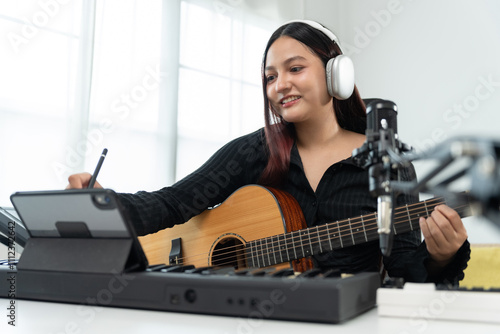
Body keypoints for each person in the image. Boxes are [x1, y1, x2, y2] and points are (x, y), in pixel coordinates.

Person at [67, 20, 470, 284]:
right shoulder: (253, 151)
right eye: (270, 76)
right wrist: (103, 205)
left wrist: (441, 258)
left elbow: (406, 275)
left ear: (336, 73)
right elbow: (173, 202)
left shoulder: (387, 162)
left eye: (295, 69)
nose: (279, 86)